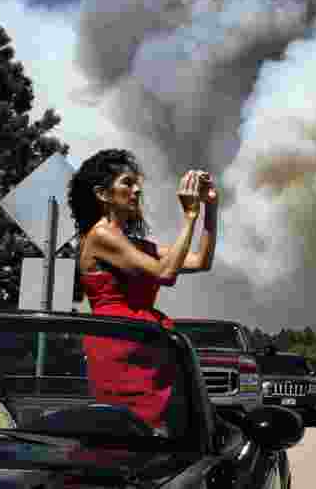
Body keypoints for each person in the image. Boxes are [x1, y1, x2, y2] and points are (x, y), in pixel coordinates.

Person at [67, 149, 218, 431]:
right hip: (118, 350)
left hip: (147, 348)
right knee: (128, 434)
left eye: (138, 183)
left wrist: (210, 208)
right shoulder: (100, 236)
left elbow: (200, 261)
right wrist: (189, 217)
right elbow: (166, 273)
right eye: (127, 182)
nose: (137, 190)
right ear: (102, 194)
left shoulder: (132, 244)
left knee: (161, 436)